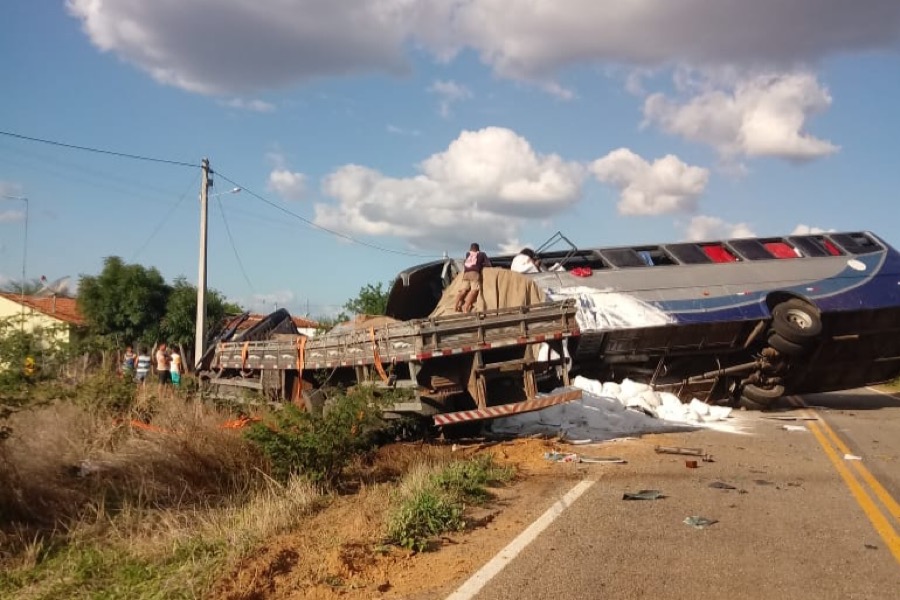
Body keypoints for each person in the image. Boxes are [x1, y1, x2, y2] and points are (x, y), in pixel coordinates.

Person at [454, 242, 492, 313]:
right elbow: (488, 264)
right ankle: (466, 306)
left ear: (470, 249)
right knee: (474, 290)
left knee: (463, 291)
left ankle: (455, 306)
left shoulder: (468, 254)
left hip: (466, 273)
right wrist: (481, 264)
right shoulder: (482, 254)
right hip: (474, 273)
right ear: (478, 249)